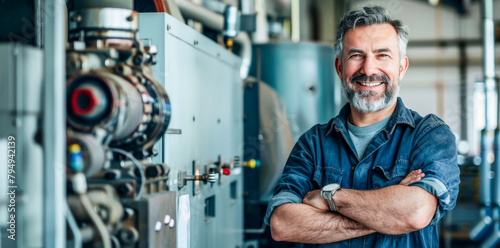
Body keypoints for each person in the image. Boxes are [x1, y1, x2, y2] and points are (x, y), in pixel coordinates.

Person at [264, 5, 460, 247]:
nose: (368, 69)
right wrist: (388, 214)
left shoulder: (430, 136)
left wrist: (329, 198)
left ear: (401, 67)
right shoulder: (312, 143)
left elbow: (415, 213)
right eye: (356, 55)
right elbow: (283, 225)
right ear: (339, 67)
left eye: (382, 55)